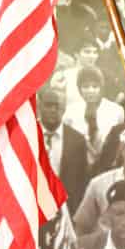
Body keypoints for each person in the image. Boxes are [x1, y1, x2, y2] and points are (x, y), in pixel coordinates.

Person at [37, 83, 89, 212]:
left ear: (64, 109)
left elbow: (82, 181)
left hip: (65, 209)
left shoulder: (77, 141)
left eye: (58, 106)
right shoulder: (25, 135)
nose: (53, 110)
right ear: (39, 107)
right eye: (49, 105)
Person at [64, 64, 125, 165]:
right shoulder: (70, 111)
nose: (90, 91)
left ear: (101, 88)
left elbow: (118, 142)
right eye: (86, 87)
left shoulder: (116, 110)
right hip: (78, 164)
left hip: (107, 163)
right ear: (79, 89)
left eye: (95, 86)